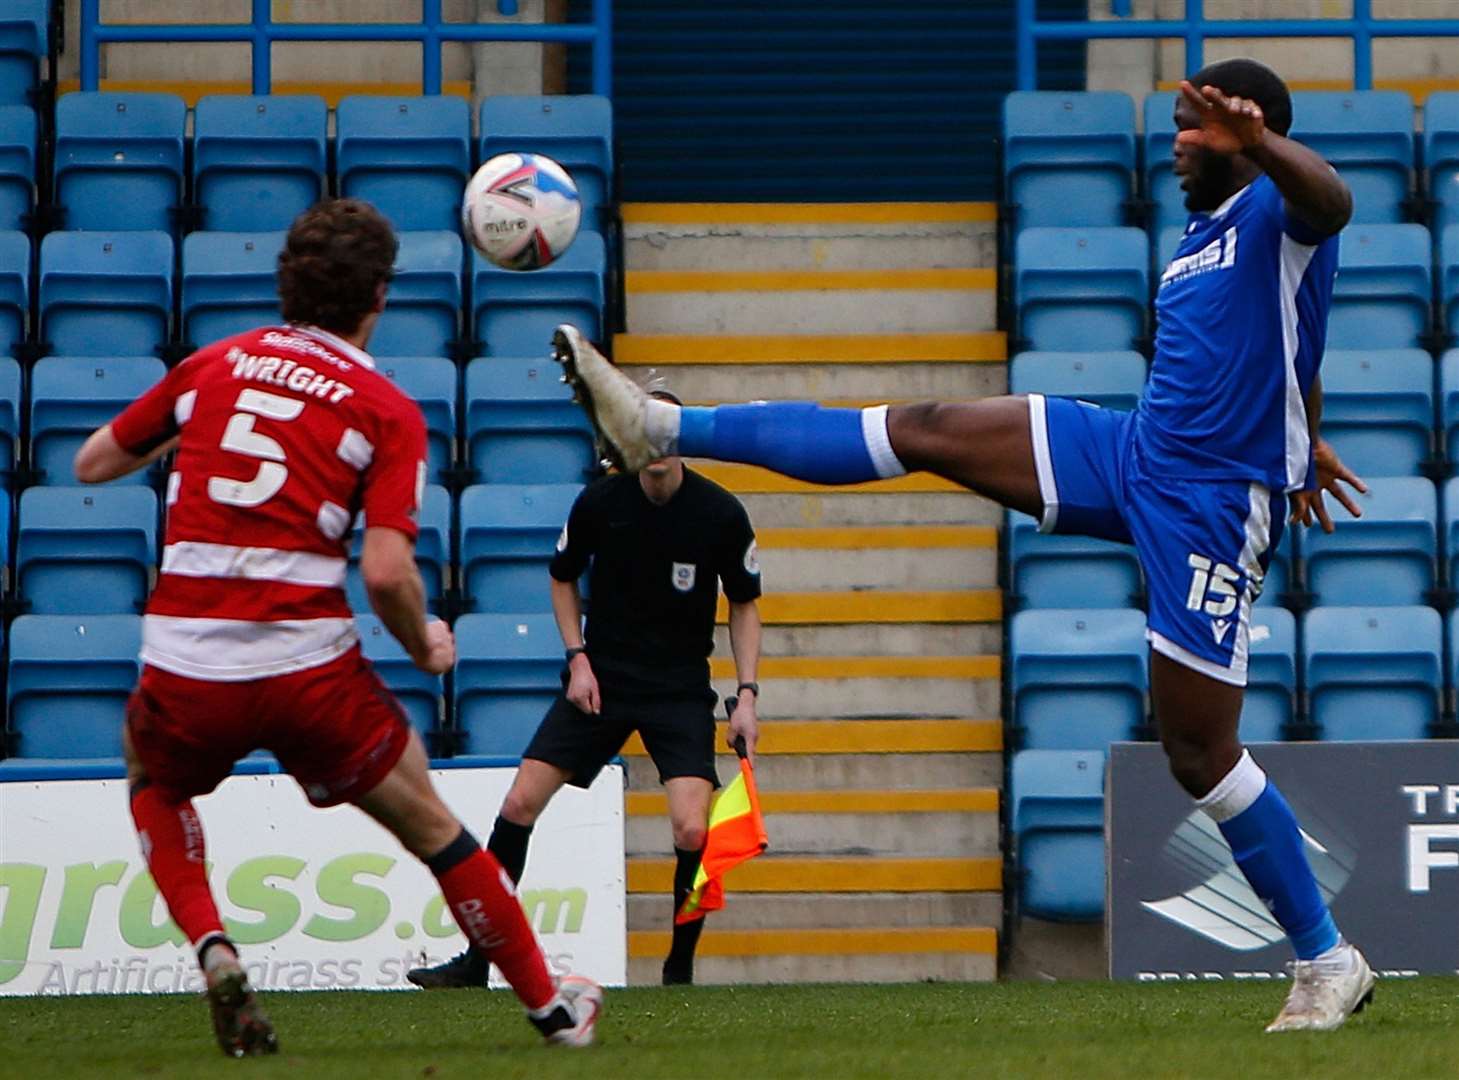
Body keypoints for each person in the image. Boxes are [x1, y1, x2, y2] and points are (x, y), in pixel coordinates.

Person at [552, 59, 1377, 1033]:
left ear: (1249, 133)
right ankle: (662, 428)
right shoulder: (1201, 234)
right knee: (928, 425)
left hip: (1209, 502)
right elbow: (1294, 344)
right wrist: (1307, 436)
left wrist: (1264, 152)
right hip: (1134, 449)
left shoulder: (1279, 209)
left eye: (1192, 129)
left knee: (1198, 751)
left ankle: (1327, 958)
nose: (1175, 144)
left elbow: (1336, 201)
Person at [73, 198, 601, 1056]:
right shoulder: (384, 408)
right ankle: (551, 1010)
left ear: (286, 284)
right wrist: (423, 641)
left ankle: (213, 947)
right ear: (379, 298)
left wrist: (194, 427)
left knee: (153, 780)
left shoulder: (212, 364)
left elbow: (92, 461)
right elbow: (386, 571)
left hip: (186, 659)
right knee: (432, 825)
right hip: (303, 668)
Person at [408, 385, 763, 990]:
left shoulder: (721, 514)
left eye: (665, 437)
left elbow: (746, 603)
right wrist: (577, 658)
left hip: (678, 686)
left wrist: (747, 694)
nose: (655, 449)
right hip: (603, 676)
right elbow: (562, 579)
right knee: (520, 803)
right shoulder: (601, 502)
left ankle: (679, 969)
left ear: (682, 442)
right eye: (642, 435)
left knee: (691, 829)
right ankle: (476, 961)